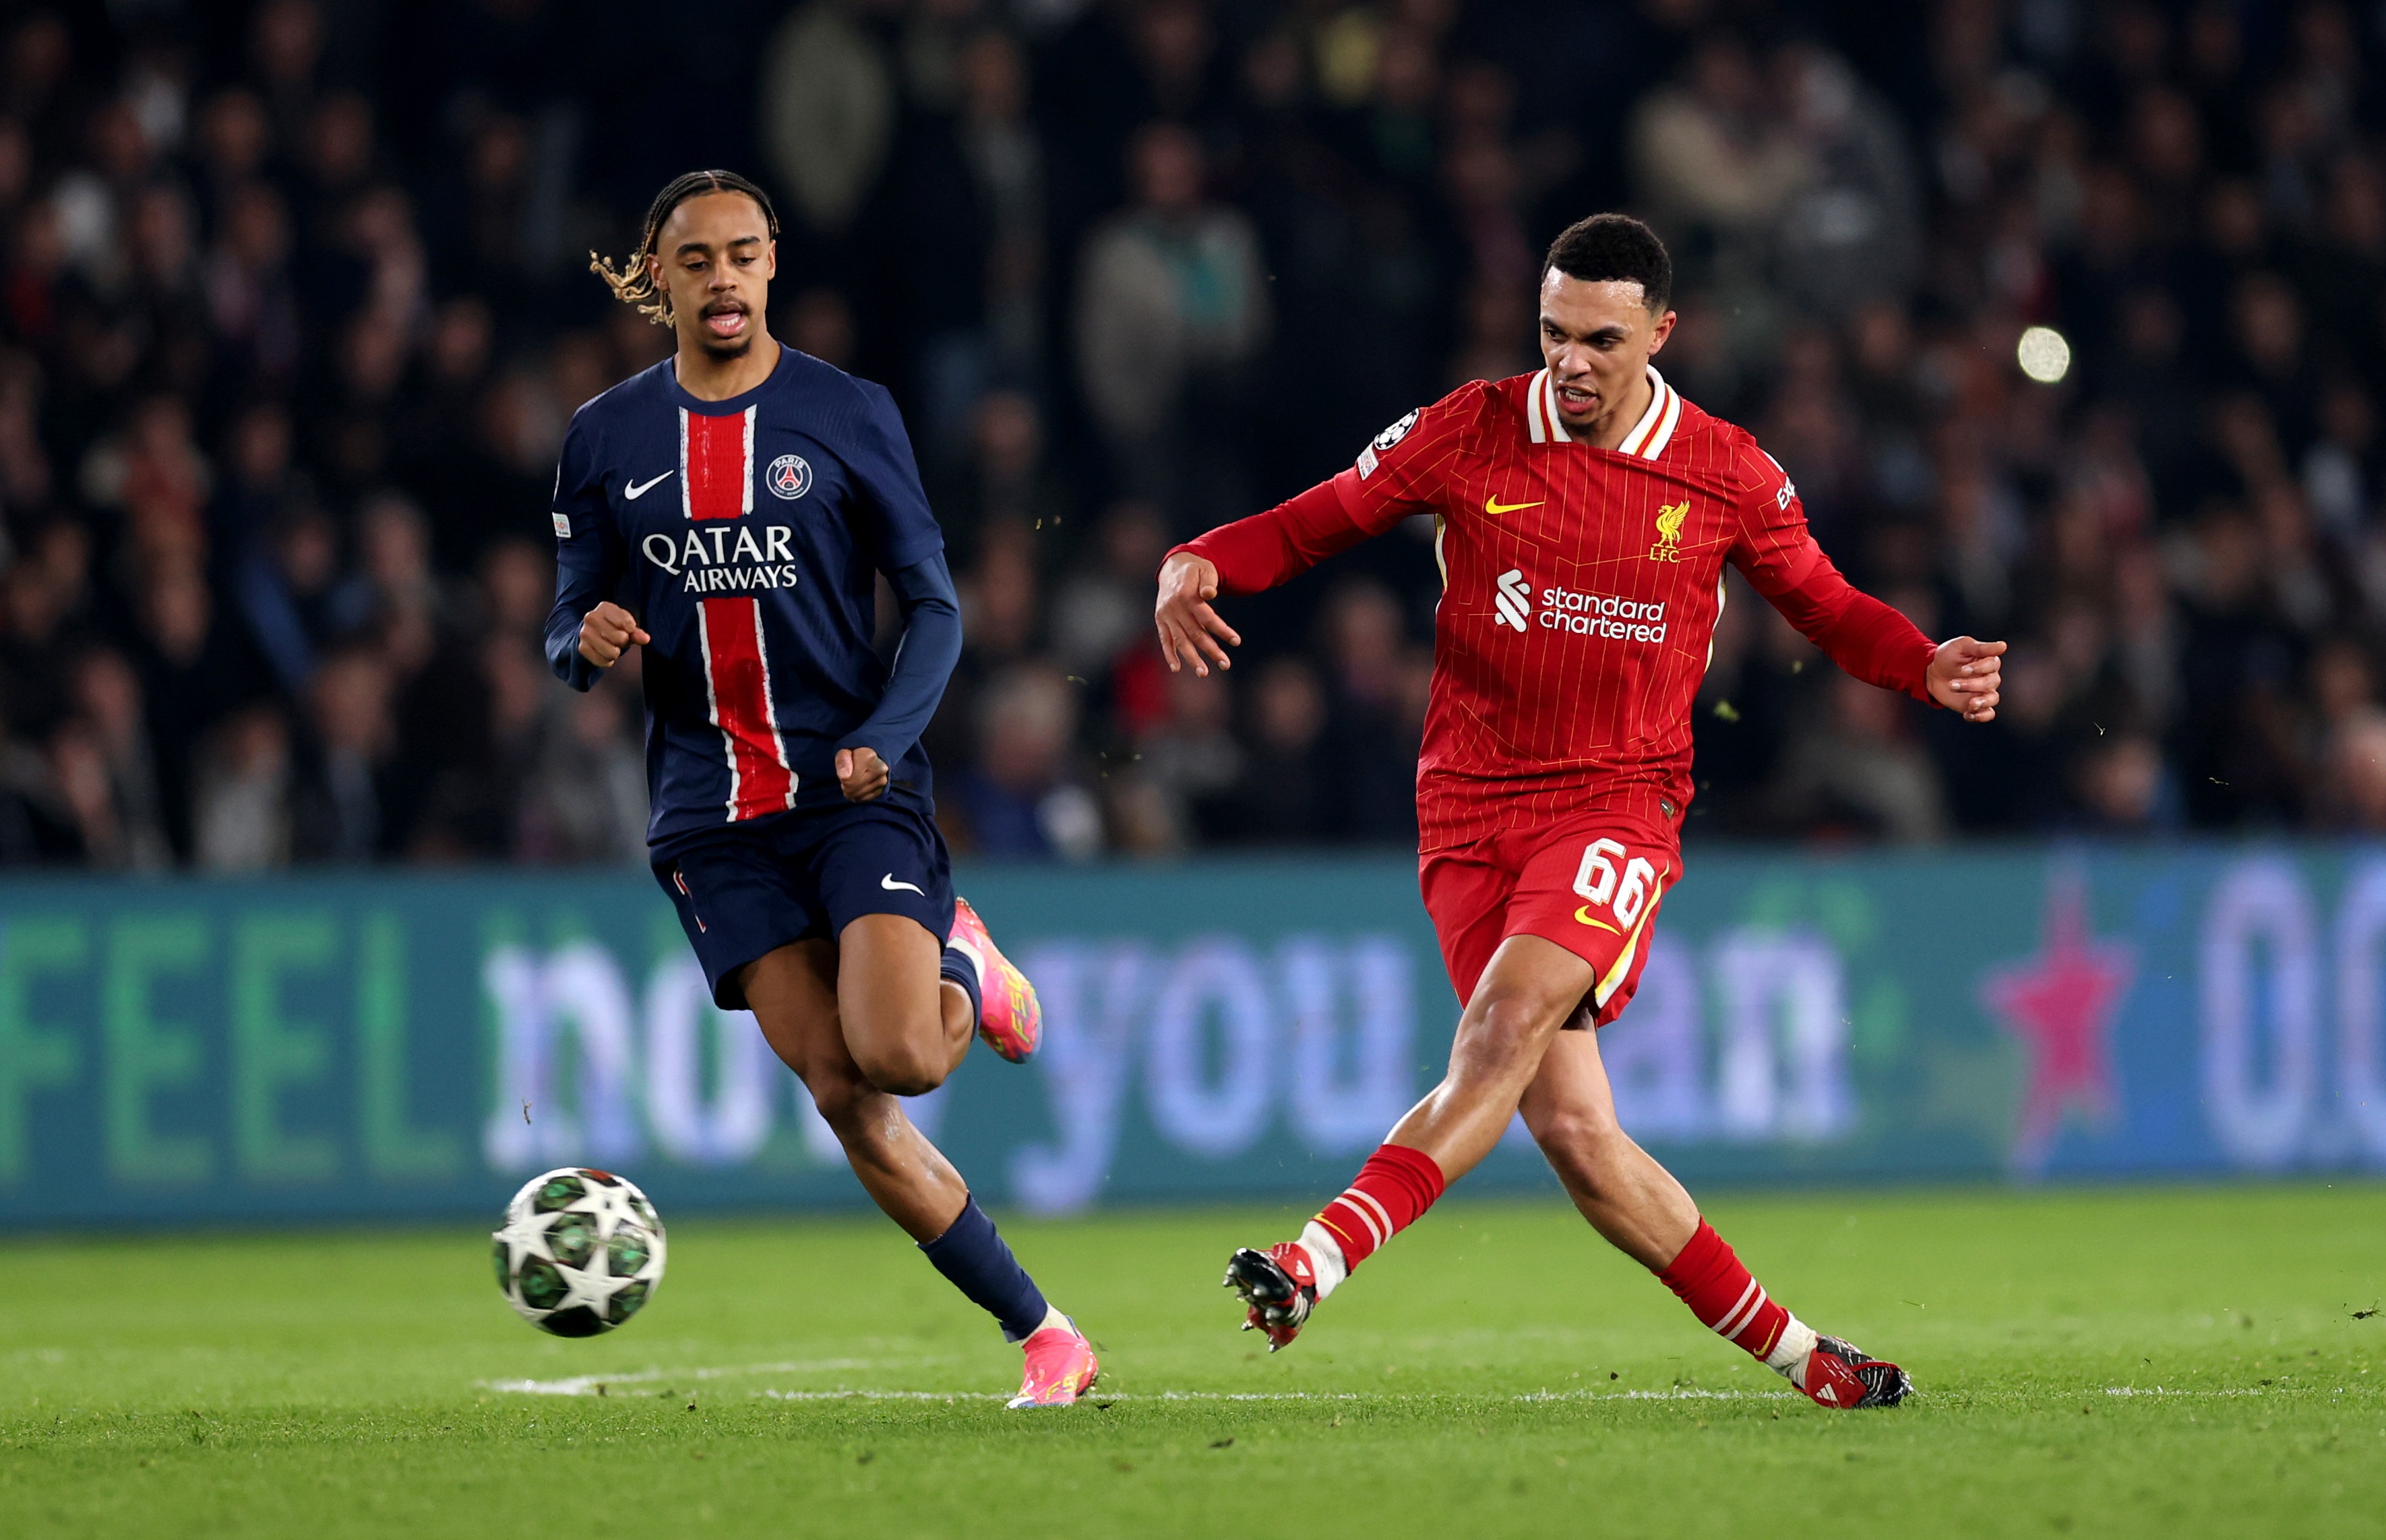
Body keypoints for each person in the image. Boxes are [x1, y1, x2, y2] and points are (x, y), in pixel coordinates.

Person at [1154, 214, 2009, 1411]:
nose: (1572, 361)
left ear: (1663, 331)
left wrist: (1922, 664)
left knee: (1501, 1030)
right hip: (1465, 806)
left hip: (1617, 805)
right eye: (1554, 332)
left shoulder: (1725, 470)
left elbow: (1824, 605)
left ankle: (1313, 1259)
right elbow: (1316, 521)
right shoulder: (1472, 429)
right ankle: (1811, 1360)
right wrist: (1198, 557)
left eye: (1602, 338)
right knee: (1576, 1136)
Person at [547, 171, 1097, 1409]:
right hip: (709, 819)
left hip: (850, 788)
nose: (724, 278)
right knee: (847, 1097)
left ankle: (962, 957)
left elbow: (940, 607)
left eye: (744, 254)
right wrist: (578, 643)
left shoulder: (847, 413)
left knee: (902, 1053)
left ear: (773, 263)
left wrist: (886, 735)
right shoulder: (605, 437)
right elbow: (565, 613)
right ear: (663, 278)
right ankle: (1046, 1332)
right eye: (697, 261)